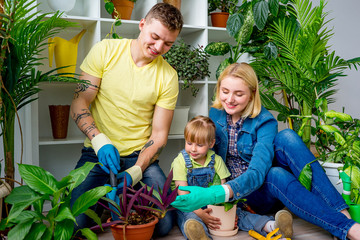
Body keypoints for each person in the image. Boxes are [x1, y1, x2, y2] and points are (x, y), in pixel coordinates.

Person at [171, 62, 360, 240]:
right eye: (225, 91)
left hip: (258, 190)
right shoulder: (216, 115)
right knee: (277, 170)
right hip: (238, 198)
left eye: (238, 94)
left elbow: (258, 172)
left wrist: (221, 192)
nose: (229, 99)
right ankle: (345, 223)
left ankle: (343, 219)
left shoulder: (265, 120)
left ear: (252, 94)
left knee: (286, 138)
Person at [69, 3, 183, 237]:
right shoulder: (105, 51)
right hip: (98, 153)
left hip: (140, 158)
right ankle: (105, 205)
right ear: (142, 25)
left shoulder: (168, 76)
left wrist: (138, 170)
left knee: (162, 225)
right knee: (73, 224)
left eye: (168, 43)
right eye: (155, 37)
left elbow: (159, 135)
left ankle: (109, 202)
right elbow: (79, 103)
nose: (159, 47)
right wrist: (99, 140)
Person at [171, 115, 293, 240]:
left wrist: (227, 211)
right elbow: (183, 195)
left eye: (199, 145)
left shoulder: (216, 160)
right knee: (189, 218)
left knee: (238, 214)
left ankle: (272, 226)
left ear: (211, 143)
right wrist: (201, 214)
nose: (193, 149)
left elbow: (223, 187)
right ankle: (200, 236)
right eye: (189, 143)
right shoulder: (180, 161)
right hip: (190, 205)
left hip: (213, 204)